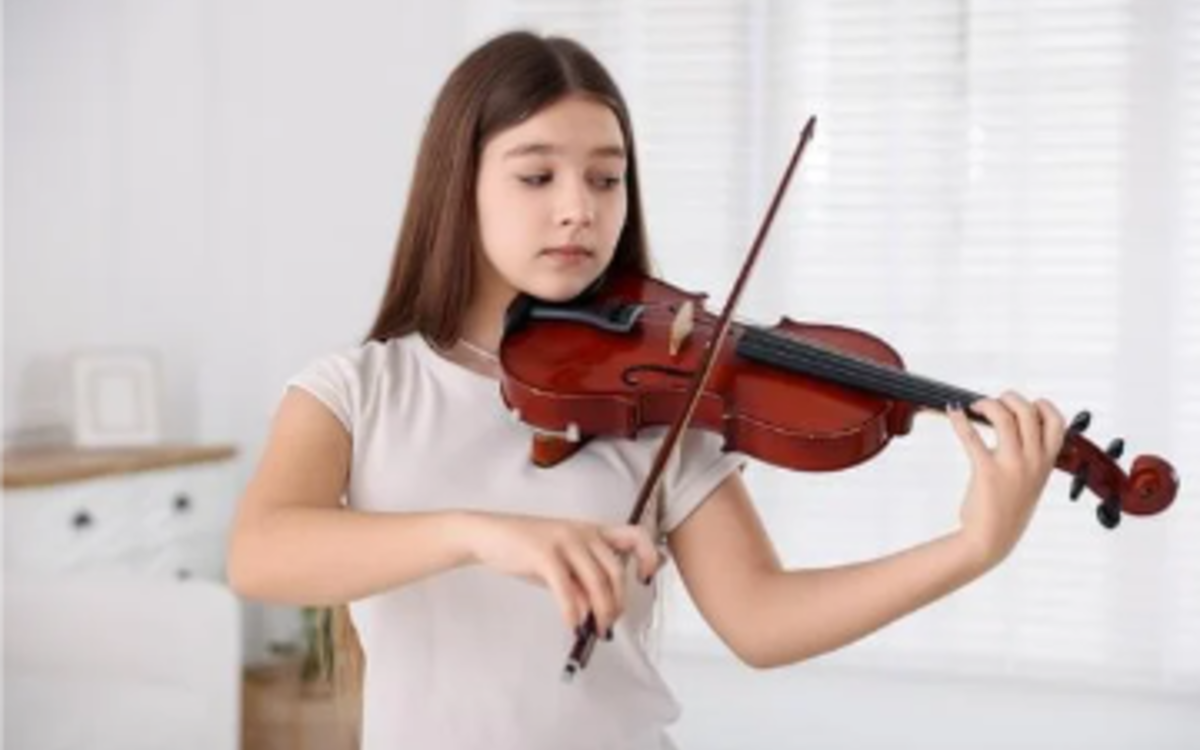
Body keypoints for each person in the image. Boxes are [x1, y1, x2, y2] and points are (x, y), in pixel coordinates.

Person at [227, 29, 1067, 750]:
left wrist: (971, 549)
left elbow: (763, 621)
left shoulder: (649, 398)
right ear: (460, 185)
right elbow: (260, 554)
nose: (579, 211)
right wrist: (483, 534)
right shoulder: (359, 388)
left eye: (605, 178)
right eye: (536, 176)